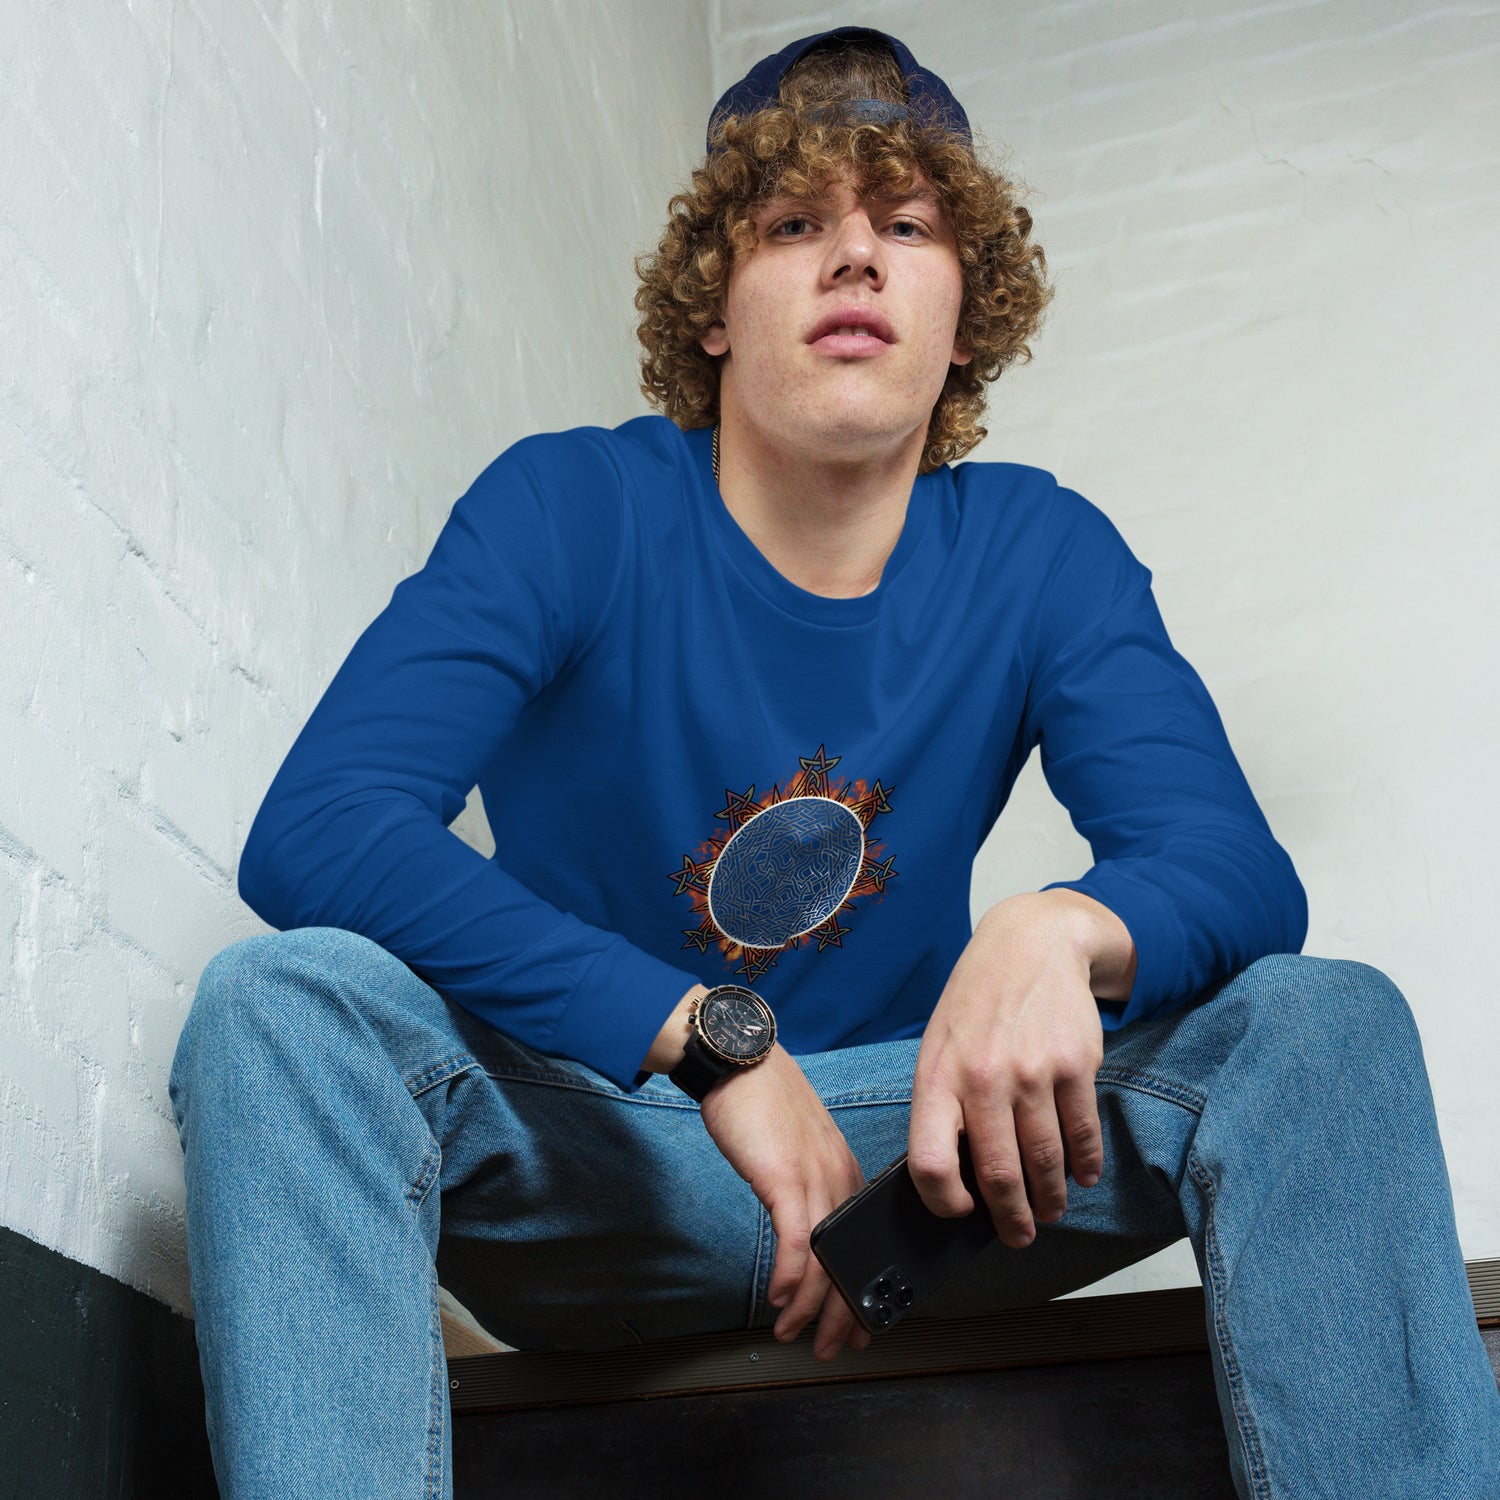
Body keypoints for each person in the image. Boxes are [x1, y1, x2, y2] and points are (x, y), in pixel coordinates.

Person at [170, 26, 1500, 1500]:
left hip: (922, 1186)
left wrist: (1057, 930)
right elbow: (322, 826)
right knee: (278, 1006)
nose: (855, 258)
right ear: (715, 313)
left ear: (962, 315)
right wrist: (707, 1039)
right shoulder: (575, 505)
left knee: (1322, 1025)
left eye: (907, 227)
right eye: (795, 223)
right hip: (607, 1157)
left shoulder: (1039, 548)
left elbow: (1239, 873)